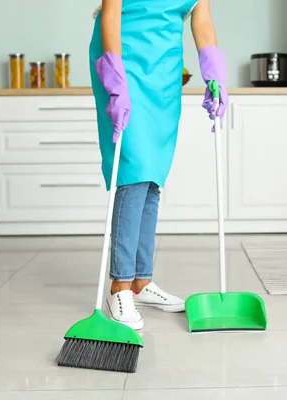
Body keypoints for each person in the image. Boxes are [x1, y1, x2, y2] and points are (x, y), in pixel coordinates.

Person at [89, 0, 228, 330]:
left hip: (164, 66)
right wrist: (114, 75)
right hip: (121, 58)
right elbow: (110, 14)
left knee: (153, 173)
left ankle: (141, 280)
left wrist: (213, 69)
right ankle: (120, 286)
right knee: (134, 167)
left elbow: (202, 18)